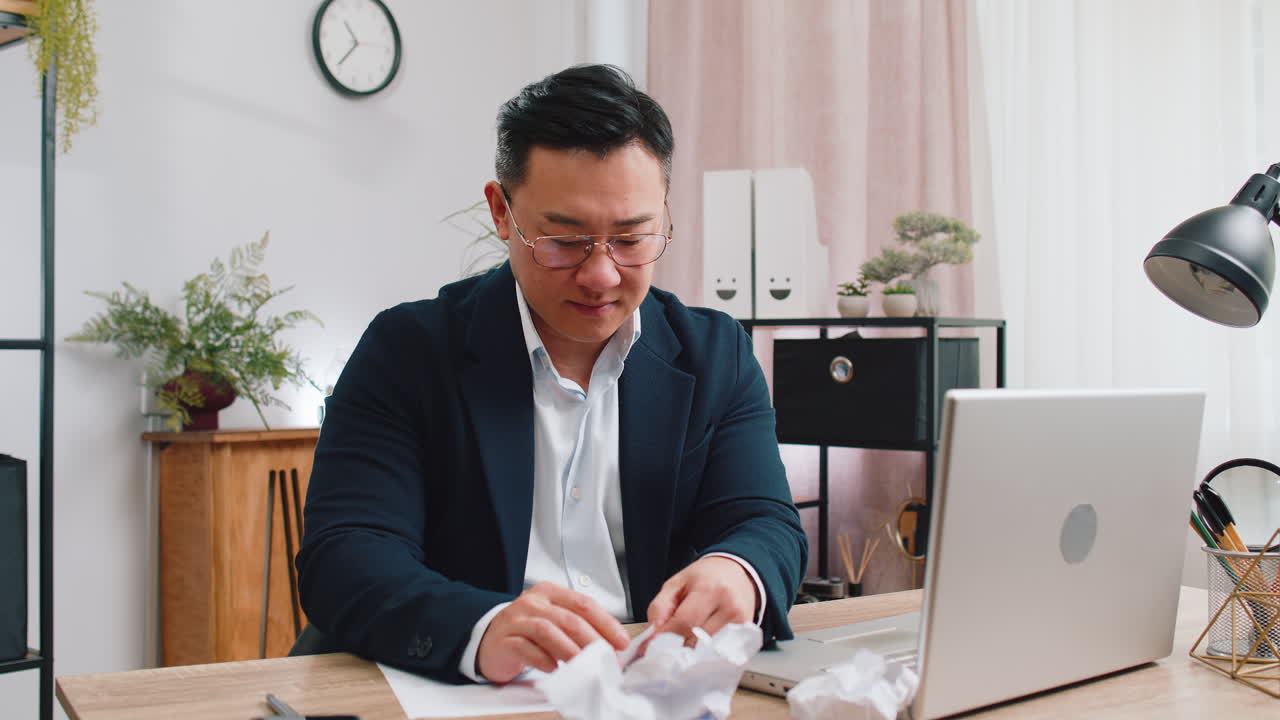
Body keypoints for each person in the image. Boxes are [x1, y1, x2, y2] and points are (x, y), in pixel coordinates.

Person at [296, 64, 806, 684]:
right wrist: (481, 628)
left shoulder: (715, 353)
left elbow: (765, 522)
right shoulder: (408, 351)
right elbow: (346, 555)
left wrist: (737, 570)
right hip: (460, 687)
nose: (602, 275)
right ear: (502, 212)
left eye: (631, 237)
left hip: (644, 687)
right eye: (564, 241)